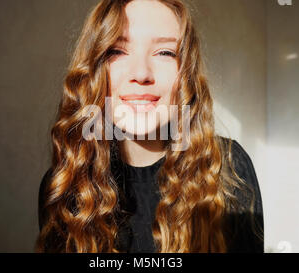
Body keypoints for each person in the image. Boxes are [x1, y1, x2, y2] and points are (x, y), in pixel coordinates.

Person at [35, 0, 263, 253]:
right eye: (116, 51)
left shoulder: (228, 168)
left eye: (165, 52)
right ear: (93, 69)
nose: (142, 73)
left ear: (185, 73)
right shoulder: (62, 185)